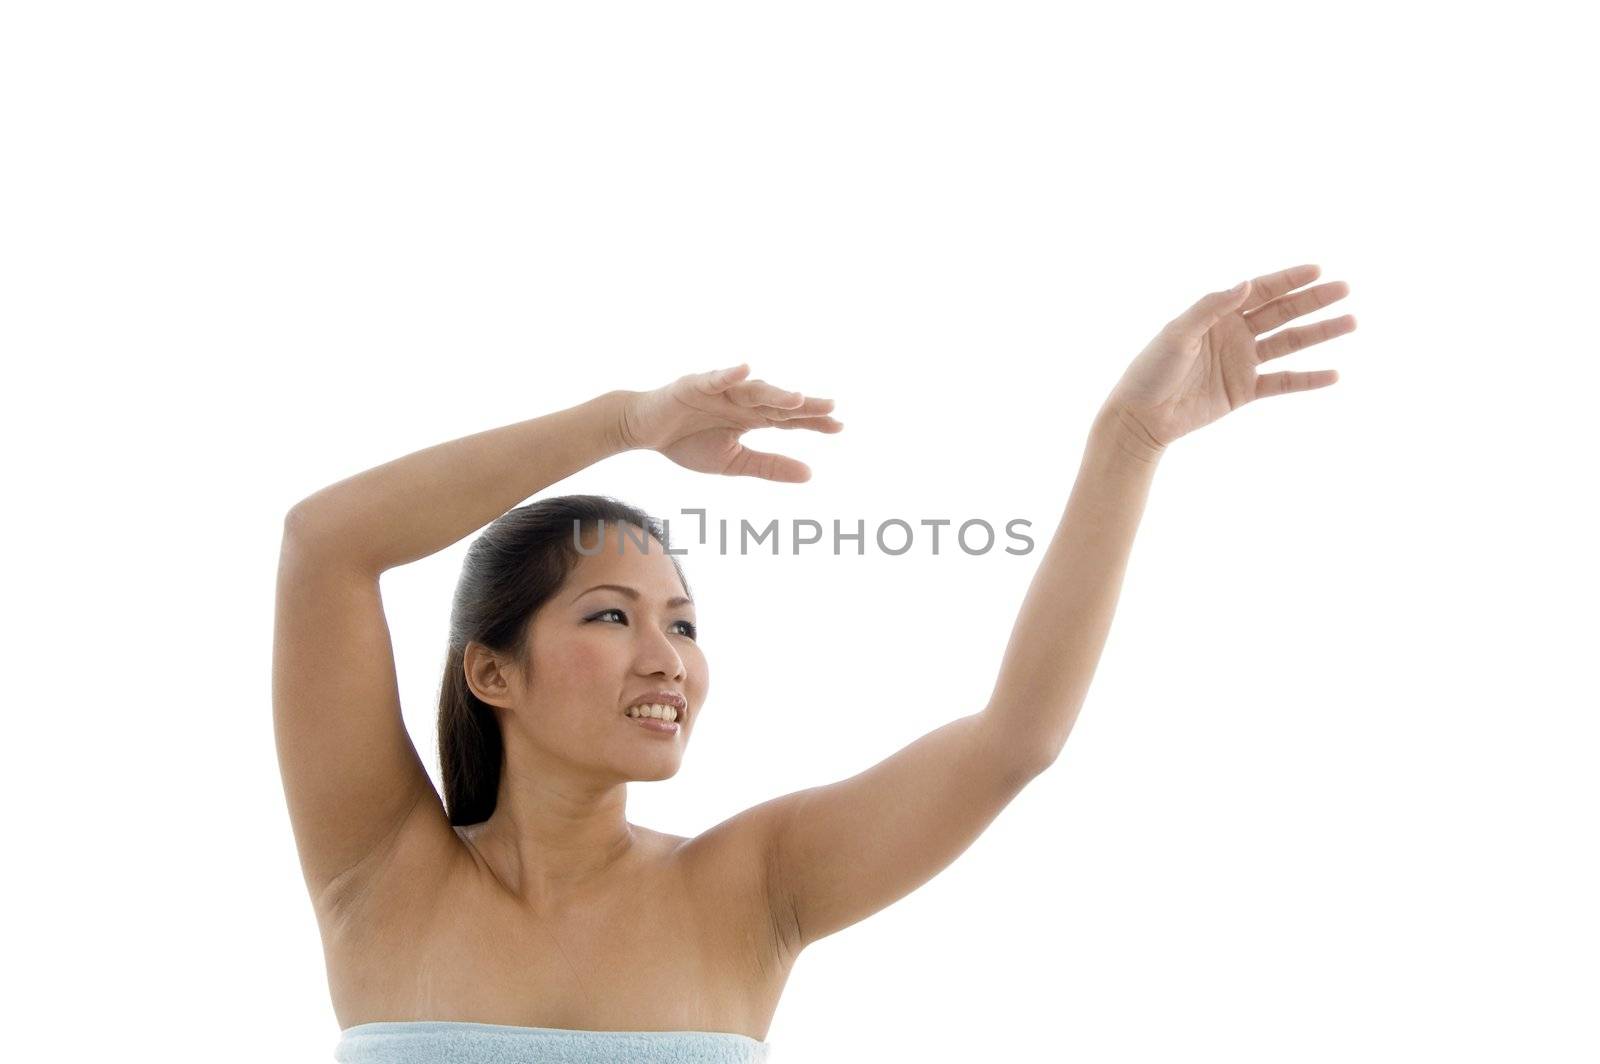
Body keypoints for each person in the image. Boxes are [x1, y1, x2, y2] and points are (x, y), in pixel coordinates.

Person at [273, 263, 1355, 1062]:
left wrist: (1128, 439)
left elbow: (1014, 738)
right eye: (611, 616)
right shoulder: (383, 870)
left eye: (685, 625)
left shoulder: (750, 886)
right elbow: (327, 544)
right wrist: (626, 421)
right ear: (491, 671)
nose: (667, 659)